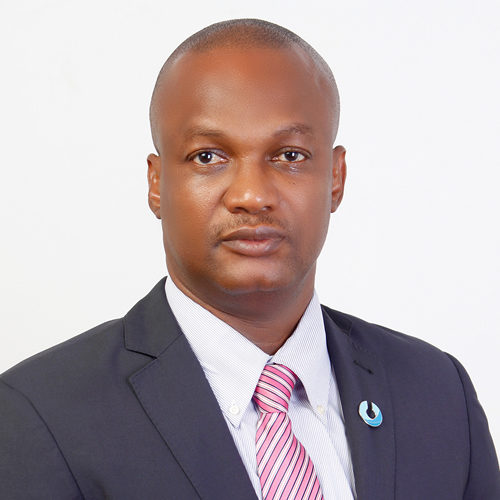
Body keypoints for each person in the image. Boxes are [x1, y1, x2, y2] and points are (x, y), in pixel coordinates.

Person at [0, 18, 498, 500]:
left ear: (336, 178)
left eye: (290, 156)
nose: (252, 196)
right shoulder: (39, 415)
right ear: (156, 183)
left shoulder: (438, 393)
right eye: (208, 157)